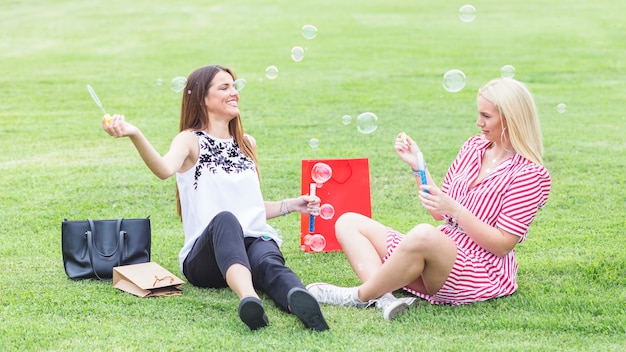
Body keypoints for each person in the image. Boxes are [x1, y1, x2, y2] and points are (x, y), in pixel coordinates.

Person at [102, 64, 329, 331]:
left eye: (234, 86)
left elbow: (249, 208)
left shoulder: (247, 143)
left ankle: (298, 300)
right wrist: (135, 133)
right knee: (225, 220)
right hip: (205, 261)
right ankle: (250, 300)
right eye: (224, 88)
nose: (234, 93)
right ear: (202, 98)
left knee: (267, 255)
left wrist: (290, 205)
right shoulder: (189, 141)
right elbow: (163, 170)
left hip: (248, 248)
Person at [307, 77, 551, 320]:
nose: (478, 123)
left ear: (510, 118)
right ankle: (385, 299)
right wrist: (417, 165)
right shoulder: (473, 147)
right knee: (348, 221)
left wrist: (457, 212)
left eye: (486, 116)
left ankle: (357, 296)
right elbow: (439, 211)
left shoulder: (530, 174)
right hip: (438, 257)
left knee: (425, 234)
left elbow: (503, 244)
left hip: (480, 271)